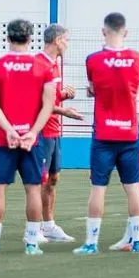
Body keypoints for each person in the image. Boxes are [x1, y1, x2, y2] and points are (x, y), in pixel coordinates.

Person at [0, 19, 57, 256]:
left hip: (4, 139)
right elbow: (48, 104)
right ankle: (32, 243)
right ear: (30, 38)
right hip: (33, 140)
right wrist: (32, 132)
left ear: (7, 38)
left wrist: (9, 129)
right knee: (33, 189)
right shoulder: (43, 67)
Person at [73, 12, 139, 256]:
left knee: (98, 188)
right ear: (126, 32)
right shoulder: (136, 58)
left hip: (104, 133)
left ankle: (91, 243)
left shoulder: (93, 60)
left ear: (103, 31)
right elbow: (133, 87)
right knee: (133, 187)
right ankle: (137, 242)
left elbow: (94, 88)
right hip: (129, 132)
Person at [37, 24, 83, 243]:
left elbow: (50, 98)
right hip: (41, 131)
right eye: (66, 40)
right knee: (39, 180)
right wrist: (64, 110)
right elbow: (36, 102)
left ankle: (48, 226)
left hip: (55, 129)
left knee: (53, 179)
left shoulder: (54, 64)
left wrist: (63, 95)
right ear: (57, 40)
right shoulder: (38, 64)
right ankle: (34, 227)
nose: (67, 44)